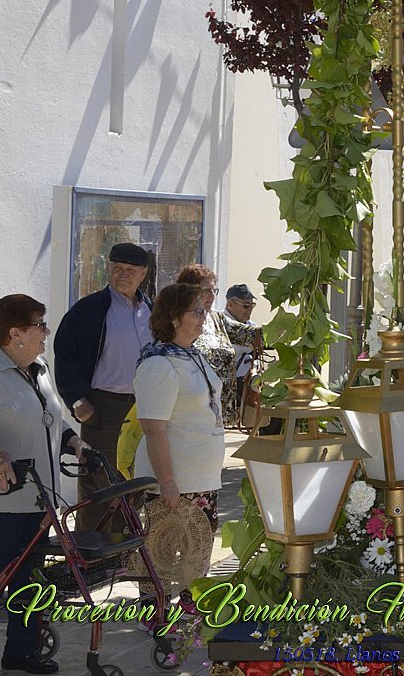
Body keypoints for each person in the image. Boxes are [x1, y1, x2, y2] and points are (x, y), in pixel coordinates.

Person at [0, 295, 87, 676]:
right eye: (40, 324)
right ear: (15, 333)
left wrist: (72, 439)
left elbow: (47, 417)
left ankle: (21, 652)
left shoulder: (40, 367)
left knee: (31, 579)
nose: (46, 331)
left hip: (39, 499)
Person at [52, 241, 152, 532]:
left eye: (130, 270)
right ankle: (91, 550)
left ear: (143, 273)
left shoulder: (151, 310)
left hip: (144, 408)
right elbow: (65, 355)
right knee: (100, 484)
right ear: (109, 269)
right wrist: (77, 401)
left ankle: (123, 549)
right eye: (117, 268)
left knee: (134, 485)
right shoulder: (89, 310)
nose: (123, 275)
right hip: (104, 409)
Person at [133, 283, 224, 594]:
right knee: (162, 560)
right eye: (196, 312)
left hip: (202, 479)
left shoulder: (192, 356)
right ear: (174, 318)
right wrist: (167, 482)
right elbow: (153, 429)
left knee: (195, 564)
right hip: (175, 483)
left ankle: (188, 617)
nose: (203, 317)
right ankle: (157, 616)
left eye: (203, 311)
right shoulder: (159, 364)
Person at [174, 265, 260, 425]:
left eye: (214, 290)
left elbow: (252, 335)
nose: (212, 296)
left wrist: (286, 328)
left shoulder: (215, 318)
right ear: (188, 290)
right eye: (206, 290)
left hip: (222, 413)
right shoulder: (177, 321)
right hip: (192, 412)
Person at [222, 284, 259, 423]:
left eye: (252, 305)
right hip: (230, 384)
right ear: (230, 303)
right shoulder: (222, 323)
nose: (249, 309)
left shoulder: (251, 325)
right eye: (245, 305)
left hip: (250, 382)